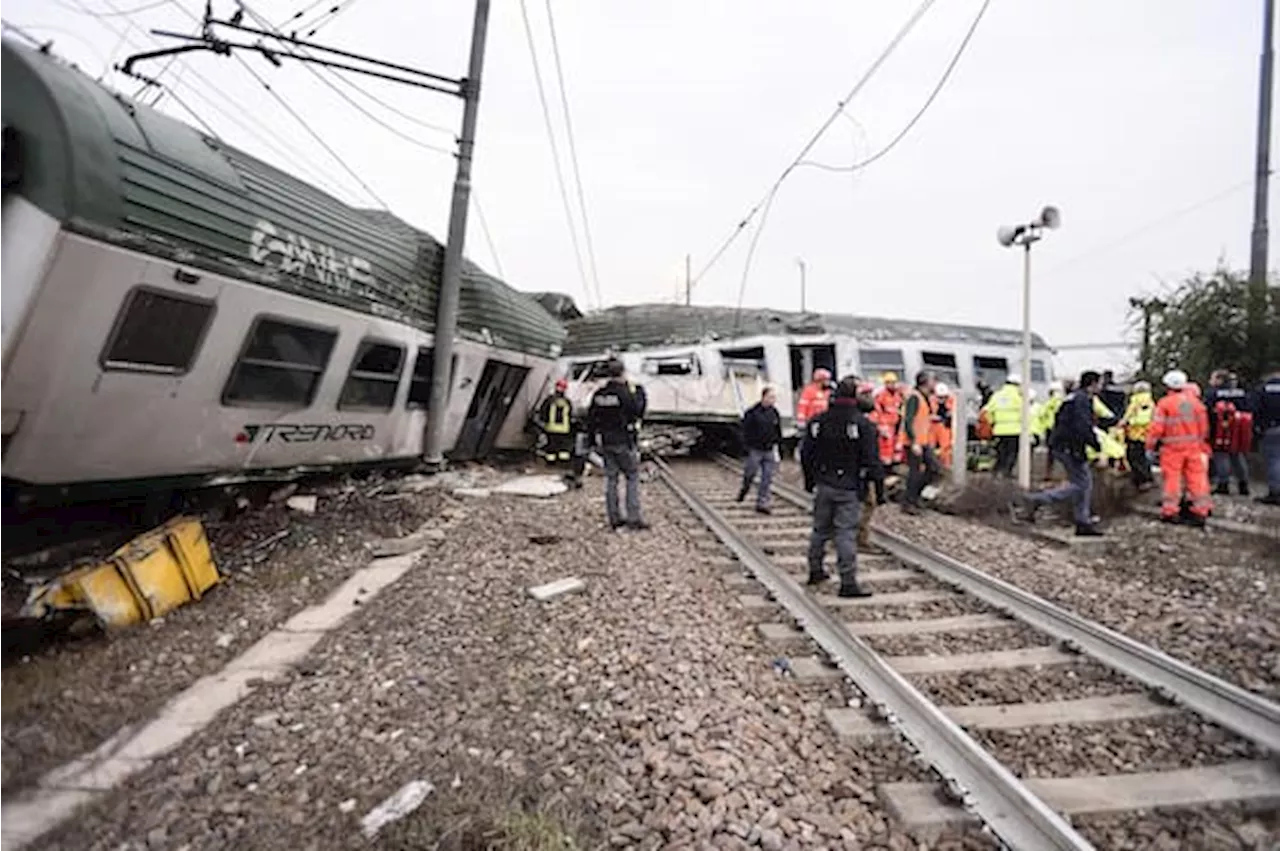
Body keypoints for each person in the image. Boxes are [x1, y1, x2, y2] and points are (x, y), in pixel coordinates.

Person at [801, 376, 883, 598]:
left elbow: (806, 454)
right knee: (845, 533)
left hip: (824, 482)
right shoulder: (862, 425)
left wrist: (810, 480)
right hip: (849, 486)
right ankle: (848, 583)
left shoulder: (818, 421)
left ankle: (815, 570)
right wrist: (879, 489)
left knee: (820, 530)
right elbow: (872, 460)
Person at [1014, 371, 1104, 536]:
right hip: (1071, 446)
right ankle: (1038, 500)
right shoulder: (1082, 400)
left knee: (1084, 483)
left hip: (1062, 444)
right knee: (1081, 484)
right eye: (1099, 383)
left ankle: (1082, 522)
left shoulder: (1071, 398)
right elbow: (1082, 426)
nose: (1101, 387)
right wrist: (1096, 445)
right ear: (1092, 384)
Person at [586, 359, 648, 530]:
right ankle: (633, 518)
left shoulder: (599, 394)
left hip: (606, 441)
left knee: (611, 479)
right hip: (623, 440)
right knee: (632, 476)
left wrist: (591, 441)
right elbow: (637, 411)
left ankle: (614, 518)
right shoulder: (625, 393)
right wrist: (640, 394)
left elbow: (590, 419)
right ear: (622, 372)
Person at [1146, 369, 1212, 526]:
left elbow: (1157, 428)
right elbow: (1204, 429)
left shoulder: (1165, 404)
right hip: (1194, 447)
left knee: (1172, 480)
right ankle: (1200, 511)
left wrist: (1150, 445)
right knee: (1197, 479)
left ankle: (1170, 511)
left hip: (1172, 449)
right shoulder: (1196, 403)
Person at [737, 385, 782, 514]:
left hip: (768, 450)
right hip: (755, 449)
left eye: (774, 398)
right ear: (764, 397)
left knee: (767, 477)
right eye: (770, 397)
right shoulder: (752, 413)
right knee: (750, 474)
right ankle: (744, 489)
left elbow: (778, 431)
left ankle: (762, 502)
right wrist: (745, 446)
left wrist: (778, 447)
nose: (772, 400)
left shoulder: (774, 413)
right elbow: (744, 430)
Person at [1206, 369, 1251, 496]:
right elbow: (1249, 409)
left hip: (1219, 430)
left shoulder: (1213, 393)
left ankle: (1223, 484)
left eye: (1213, 378)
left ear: (1220, 380)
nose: (1211, 381)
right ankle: (1243, 485)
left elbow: (1207, 411)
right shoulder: (1242, 393)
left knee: (1221, 456)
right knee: (1238, 456)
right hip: (1238, 430)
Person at [853, 381, 886, 552]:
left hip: (846, 471)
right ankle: (859, 539)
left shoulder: (848, 419)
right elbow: (871, 455)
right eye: (867, 395)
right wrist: (878, 480)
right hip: (861, 473)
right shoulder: (865, 425)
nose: (870, 398)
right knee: (866, 504)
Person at [900, 371, 939, 515]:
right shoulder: (914, 398)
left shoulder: (925, 398)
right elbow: (908, 421)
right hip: (914, 442)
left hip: (923, 441)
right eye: (933, 380)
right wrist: (913, 442)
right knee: (914, 473)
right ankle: (908, 502)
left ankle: (915, 496)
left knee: (934, 469)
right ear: (925, 382)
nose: (935, 384)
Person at [982, 373, 1024, 477]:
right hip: (1015, 430)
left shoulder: (997, 395)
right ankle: (1007, 472)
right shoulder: (1018, 397)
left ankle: (996, 471)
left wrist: (992, 422)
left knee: (1001, 452)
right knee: (1012, 452)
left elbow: (986, 411)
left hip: (999, 430)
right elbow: (1025, 413)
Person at [1121, 380, 1155, 490]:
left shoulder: (1135, 401)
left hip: (1135, 434)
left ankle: (1142, 480)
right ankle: (1148, 478)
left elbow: (1128, 416)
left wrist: (1123, 423)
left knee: (1134, 458)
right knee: (1145, 458)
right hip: (1148, 434)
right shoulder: (1150, 402)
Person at [1253, 368, 1280, 505]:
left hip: (1271, 428)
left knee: (1273, 461)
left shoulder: (1263, 389)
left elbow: (1255, 409)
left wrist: (1258, 427)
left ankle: (1275, 493)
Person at [537, 378, 574, 465]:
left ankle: (551, 463)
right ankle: (563, 463)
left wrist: (543, 422)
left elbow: (543, 412)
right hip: (564, 429)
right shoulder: (567, 401)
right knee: (563, 448)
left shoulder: (550, 400)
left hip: (551, 428)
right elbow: (570, 415)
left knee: (551, 447)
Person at [872, 372, 905, 467]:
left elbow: (900, 406)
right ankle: (885, 467)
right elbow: (877, 410)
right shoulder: (881, 395)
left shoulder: (898, 395)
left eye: (894, 382)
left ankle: (894, 464)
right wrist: (879, 425)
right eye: (890, 383)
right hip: (885, 424)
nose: (893, 385)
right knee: (886, 447)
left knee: (897, 446)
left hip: (896, 424)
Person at [1039, 380, 1066, 482]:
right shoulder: (1063, 401)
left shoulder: (1052, 401)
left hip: (1052, 429)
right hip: (1060, 429)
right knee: (1062, 452)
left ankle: (1049, 473)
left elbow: (1042, 413)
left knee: (1051, 453)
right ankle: (1064, 474)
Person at [931, 382, 954, 471]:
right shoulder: (931, 400)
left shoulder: (951, 400)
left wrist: (949, 414)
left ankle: (946, 465)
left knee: (946, 447)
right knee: (930, 446)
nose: (942, 399)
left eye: (944, 397)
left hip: (945, 425)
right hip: (932, 426)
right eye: (940, 397)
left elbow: (953, 412)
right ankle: (932, 466)